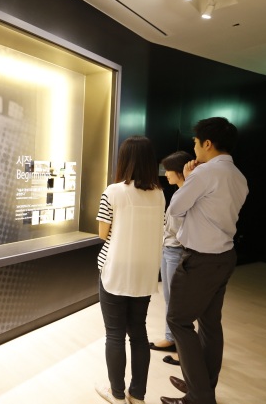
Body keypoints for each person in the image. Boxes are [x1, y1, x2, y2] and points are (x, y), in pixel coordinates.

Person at [160, 117, 248, 404]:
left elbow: (175, 207)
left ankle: (199, 396)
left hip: (200, 260)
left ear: (207, 144)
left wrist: (187, 179)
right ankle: (202, 387)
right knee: (210, 324)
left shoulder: (204, 174)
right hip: (224, 256)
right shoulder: (238, 175)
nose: (194, 147)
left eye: (196, 142)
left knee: (178, 321)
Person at [95, 136, 165, 404]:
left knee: (114, 333)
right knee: (138, 332)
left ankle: (116, 393)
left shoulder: (113, 191)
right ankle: (138, 394)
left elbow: (103, 234)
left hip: (115, 268)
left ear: (124, 160)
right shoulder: (159, 194)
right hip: (145, 271)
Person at [150, 151, 193, 366]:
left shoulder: (187, 193)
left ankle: (179, 344)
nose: (165, 174)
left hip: (176, 250)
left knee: (176, 301)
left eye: (168, 170)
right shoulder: (178, 192)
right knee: (169, 298)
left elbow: (180, 228)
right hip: (169, 249)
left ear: (179, 170)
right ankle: (170, 338)